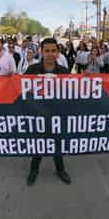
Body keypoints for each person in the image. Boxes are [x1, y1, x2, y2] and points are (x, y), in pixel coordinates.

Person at [25, 38, 71, 186]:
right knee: (38, 144)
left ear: (58, 52)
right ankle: (34, 170)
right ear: (41, 52)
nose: (50, 54)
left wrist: (88, 80)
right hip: (38, 115)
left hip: (56, 116)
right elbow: (19, 88)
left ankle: (60, 170)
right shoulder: (32, 70)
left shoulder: (64, 72)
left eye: (53, 51)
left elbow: (73, 92)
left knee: (57, 144)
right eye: (47, 51)